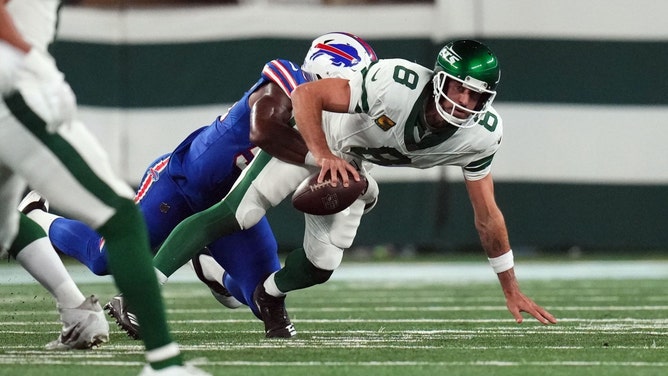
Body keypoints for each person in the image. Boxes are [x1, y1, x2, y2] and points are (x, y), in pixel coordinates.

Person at [145, 39, 557, 328]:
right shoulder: (395, 83)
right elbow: (307, 96)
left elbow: (487, 217)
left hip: (354, 167)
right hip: (322, 134)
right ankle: (140, 292)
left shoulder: (481, 135)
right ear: (438, 79)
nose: (462, 103)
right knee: (237, 211)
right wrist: (321, 154)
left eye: (475, 97)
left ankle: (268, 293)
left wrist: (511, 287)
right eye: (456, 89)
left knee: (321, 266)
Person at [19, 31, 379, 339]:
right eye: (351, 83)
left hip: (231, 205)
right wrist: (322, 157)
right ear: (327, 73)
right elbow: (264, 131)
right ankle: (38, 218)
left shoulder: (333, 125)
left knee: (257, 296)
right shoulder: (283, 83)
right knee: (106, 258)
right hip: (180, 185)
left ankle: (211, 268)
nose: (353, 96)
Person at [0, 1, 210, 374]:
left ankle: (76, 311)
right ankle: (164, 364)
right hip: (12, 86)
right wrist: (35, 64)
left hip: (16, 78)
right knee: (120, 217)